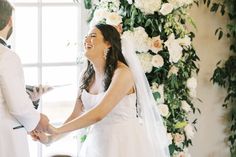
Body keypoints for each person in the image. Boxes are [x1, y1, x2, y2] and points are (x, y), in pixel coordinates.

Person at [33, 24, 170, 157]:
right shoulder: (85, 76)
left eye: (92, 36)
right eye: (86, 36)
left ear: (108, 43)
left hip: (124, 144)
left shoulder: (122, 73)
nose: (86, 40)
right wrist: (50, 139)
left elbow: (99, 113)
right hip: (97, 145)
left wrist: (56, 129)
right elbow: (75, 115)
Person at [0, 0, 50, 156]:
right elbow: (17, 106)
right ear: (10, 21)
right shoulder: (6, 56)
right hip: (5, 139)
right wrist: (38, 120)